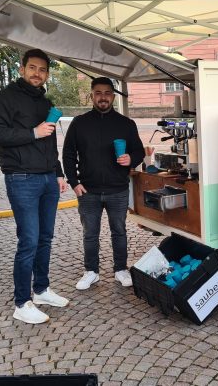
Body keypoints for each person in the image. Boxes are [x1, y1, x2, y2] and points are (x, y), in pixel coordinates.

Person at [0, 49, 70, 324]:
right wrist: (32, 132)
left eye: (42, 70)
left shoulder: (45, 102)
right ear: (22, 69)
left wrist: (58, 173)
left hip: (47, 178)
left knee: (45, 238)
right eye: (32, 68)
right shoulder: (5, 98)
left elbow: (49, 142)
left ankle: (41, 289)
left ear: (47, 74)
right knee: (29, 241)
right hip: (21, 178)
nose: (37, 73)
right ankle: (22, 302)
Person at [62, 77, 145, 290]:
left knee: (119, 231)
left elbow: (139, 151)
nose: (103, 97)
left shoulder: (126, 124)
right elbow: (68, 154)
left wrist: (131, 159)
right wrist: (74, 182)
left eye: (107, 93)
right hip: (88, 190)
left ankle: (120, 269)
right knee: (90, 233)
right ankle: (91, 271)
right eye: (98, 93)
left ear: (113, 96)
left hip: (117, 188)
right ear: (91, 96)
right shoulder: (79, 123)